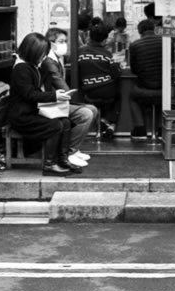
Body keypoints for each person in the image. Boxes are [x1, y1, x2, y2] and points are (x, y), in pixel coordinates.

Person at [7, 32, 78, 177]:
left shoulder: (33, 67)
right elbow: (30, 94)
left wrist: (56, 95)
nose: (44, 57)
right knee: (56, 126)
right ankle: (49, 164)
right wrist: (55, 96)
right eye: (42, 53)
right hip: (22, 116)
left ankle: (62, 159)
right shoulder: (21, 69)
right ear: (33, 52)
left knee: (65, 122)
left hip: (31, 112)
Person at [43, 27, 95, 167]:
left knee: (92, 110)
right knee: (86, 113)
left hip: (59, 101)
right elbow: (59, 83)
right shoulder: (48, 61)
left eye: (65, 41)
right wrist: (68, 94)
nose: (64, 44)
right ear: (51, 42)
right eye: (61, 41)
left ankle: (75, 149)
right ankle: (69, 152)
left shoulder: (58, 58)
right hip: (50, 104)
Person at [77, 21, 121, 138]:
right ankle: (109, 123)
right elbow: (116, 74)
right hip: (108, 91)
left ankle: (102, 122)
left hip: (89, 91)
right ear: (104, 40)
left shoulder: (80, 52)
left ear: (89, 37)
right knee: (118, 95)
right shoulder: (106, 54)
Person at [127, 18, 162, 139]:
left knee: (132, 96)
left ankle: (140, 129)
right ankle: (161, 128)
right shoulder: (165, 42)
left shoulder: (134, 45)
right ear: (154, 29)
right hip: (162, 89)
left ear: (139, 31)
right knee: (162, 99)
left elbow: (134, 69)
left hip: (144, 88)